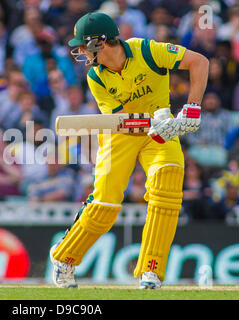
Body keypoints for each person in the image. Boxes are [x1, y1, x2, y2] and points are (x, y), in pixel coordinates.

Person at [48, 12, 208, 290]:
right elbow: (121, 122)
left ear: (99, 43)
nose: (81, 52)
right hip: (123, 134)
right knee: (105, 204)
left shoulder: (148, 51)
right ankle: (64, 257)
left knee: (168, 184)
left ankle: (152, 270)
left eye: (83, 45)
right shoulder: (96, 77)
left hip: (162, 129)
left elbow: (199, 62)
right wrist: (154, 122)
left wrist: (192, 107)